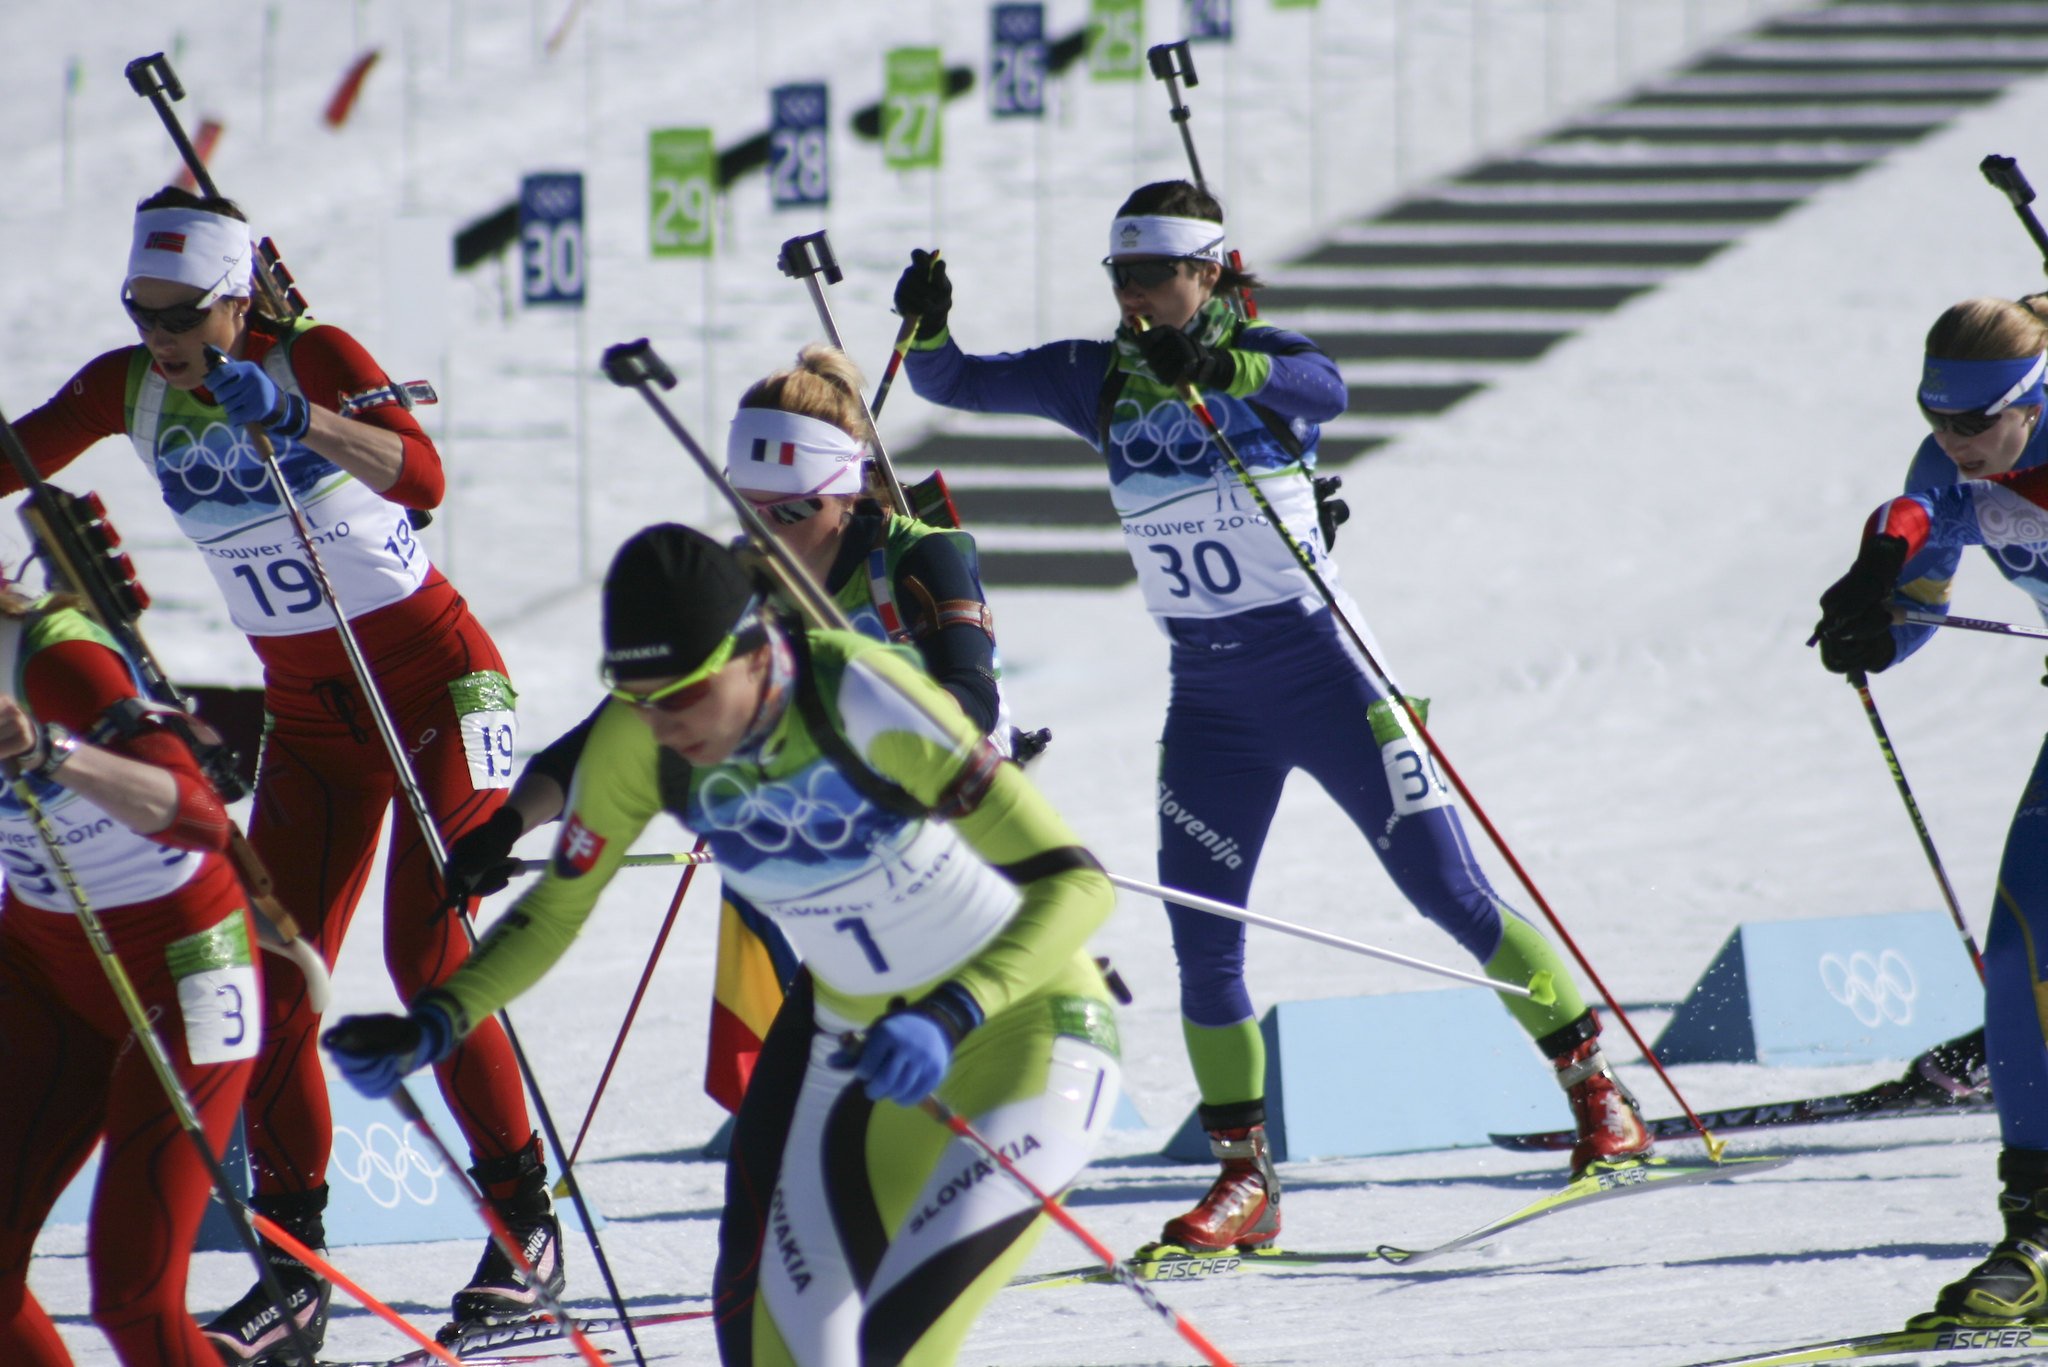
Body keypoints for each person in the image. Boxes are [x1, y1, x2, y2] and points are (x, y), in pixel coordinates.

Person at [895, 178, 1650, 1252]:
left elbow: (1322, 386)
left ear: (1208, 272)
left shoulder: (1258, 356)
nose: (1135, 295)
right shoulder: (1093, 377)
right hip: (1208, 696)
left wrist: (1213, 366)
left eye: (1154, 274)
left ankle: (1596, 1095)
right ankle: (1245, 1178)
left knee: (1448, 892)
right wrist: (925, 325)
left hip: (1325, 672)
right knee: (1203, 943)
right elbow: (953, 382)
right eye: (1120, 275)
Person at [325, 522, 1121, 1365]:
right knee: (778, 1347)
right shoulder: (647, 738)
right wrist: (435, 1023)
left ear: (752, 651)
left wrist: (954, 1009)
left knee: (898, 1338)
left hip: (1029, 1033)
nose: (665, 724)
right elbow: (557, 910)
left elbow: (1078, 884)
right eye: (641, 698)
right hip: (856, 1055)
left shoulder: (860, 693)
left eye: (683, 694)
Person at [3, 187, 557, 1361]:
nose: (161, 334)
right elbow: (14, 456)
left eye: (183, 311)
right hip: (314, 719)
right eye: (140, 309)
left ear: (235, 295)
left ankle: (524, 1225)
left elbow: (422, 478)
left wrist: (293, 412)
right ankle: (294, 1261)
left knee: (429, 950)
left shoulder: (312, 351)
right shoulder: (129, 386)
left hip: (441, 687)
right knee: (277, 977)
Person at [442, 347, 1018, 1111]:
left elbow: (969, 702)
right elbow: (626, 719)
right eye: (751, 510)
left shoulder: (922, 556)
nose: (771, 533)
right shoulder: (742, 585)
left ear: (844, 496)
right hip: (837, 858)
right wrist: (509, 821)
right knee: (789, 1111)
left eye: (791, 512)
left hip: (953, 839)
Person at [1814, 293, 2048, 1327]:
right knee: (2019, 950)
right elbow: (1919, 565)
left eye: (1972, 423)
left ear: (2030, 401)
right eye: (1933, 418)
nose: (1950, 442)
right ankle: (2036, 1226)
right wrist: (1875, 618)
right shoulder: (1946, 463)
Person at [0, 583, 260, 1366]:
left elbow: (201, 814)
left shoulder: (51, 655)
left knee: (132, 1293)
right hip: (41, 964)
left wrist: (53, 753)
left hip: (187, 964)